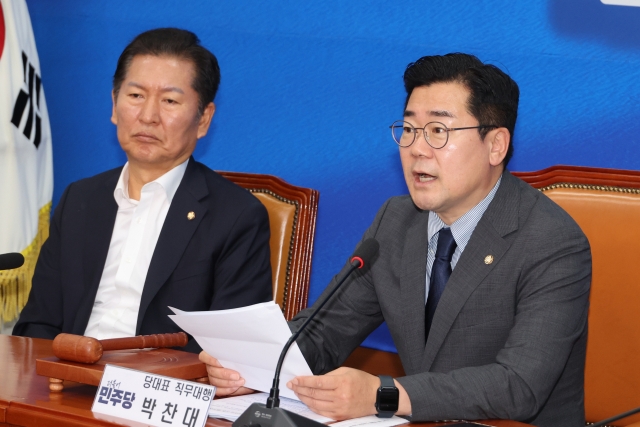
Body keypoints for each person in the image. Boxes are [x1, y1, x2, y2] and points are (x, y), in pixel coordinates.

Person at [200, 53, 591, 427]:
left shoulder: (552, 242)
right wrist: (255, 365)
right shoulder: (397, 221)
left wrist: (384, 393)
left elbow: (519, 386)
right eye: (408, 129)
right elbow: (323, 332)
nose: (416, 148)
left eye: (438, 131)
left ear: (496, 145)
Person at [13, 28, 273, 353]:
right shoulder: (80, 199)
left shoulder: (235, 217)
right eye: (136, 96)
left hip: (157, 391)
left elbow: (232, 350)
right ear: (114, 104)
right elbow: (39, 323)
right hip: (65, 385)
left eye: (169, 101)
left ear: (203, 119)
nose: (148, 116)